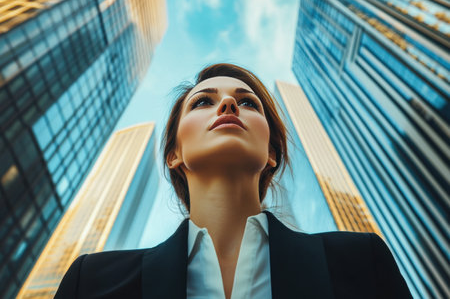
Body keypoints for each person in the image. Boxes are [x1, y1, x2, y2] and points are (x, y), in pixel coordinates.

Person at [55, 63, 412, 299]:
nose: (228, 104)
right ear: (173, 155)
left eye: (248, 103)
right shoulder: (92, 283)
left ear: (272, 153)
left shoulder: (361, 262)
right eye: (202, 103)